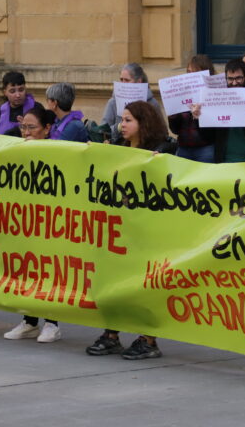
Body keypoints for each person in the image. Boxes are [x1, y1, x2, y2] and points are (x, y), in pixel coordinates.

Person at [86, 101, 176, 360]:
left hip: (147, 231)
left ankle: (148, 339)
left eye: (128, 120)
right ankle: (112, 334)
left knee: (144, 285)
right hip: (120, 230)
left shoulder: (164, 149)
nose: (121, 125)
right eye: (122, 120)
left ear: (143, 123)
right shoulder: (119, 149)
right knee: (114, 282)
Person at [3, 104, 64, 342]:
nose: (26, 132)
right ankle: (29, 320)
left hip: (49, 221)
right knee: (27, 269)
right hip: (24, 220)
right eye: (23, 127)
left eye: (32, 127)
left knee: (49, 271)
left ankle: (52, 322)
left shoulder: (59, 151)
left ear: (47, 128)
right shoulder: (17, 149)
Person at [168, 55, 216, 163]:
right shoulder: (181, 93)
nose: (190, 76)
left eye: (194, 73)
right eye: (188, 72)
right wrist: (173, 116)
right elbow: (174, 130)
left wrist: (200, 117)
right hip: (184, 149)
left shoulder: (213, 94)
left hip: (205, 149)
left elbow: (214, 132)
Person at [100, 63, 162, 144]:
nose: (123, 83)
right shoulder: (113, 102)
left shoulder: (152, 103)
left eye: (127, 80)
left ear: (139, 82)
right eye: (121, 80)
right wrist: (119, 127)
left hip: (145, 150)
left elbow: (161, 132)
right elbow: (102, 131)